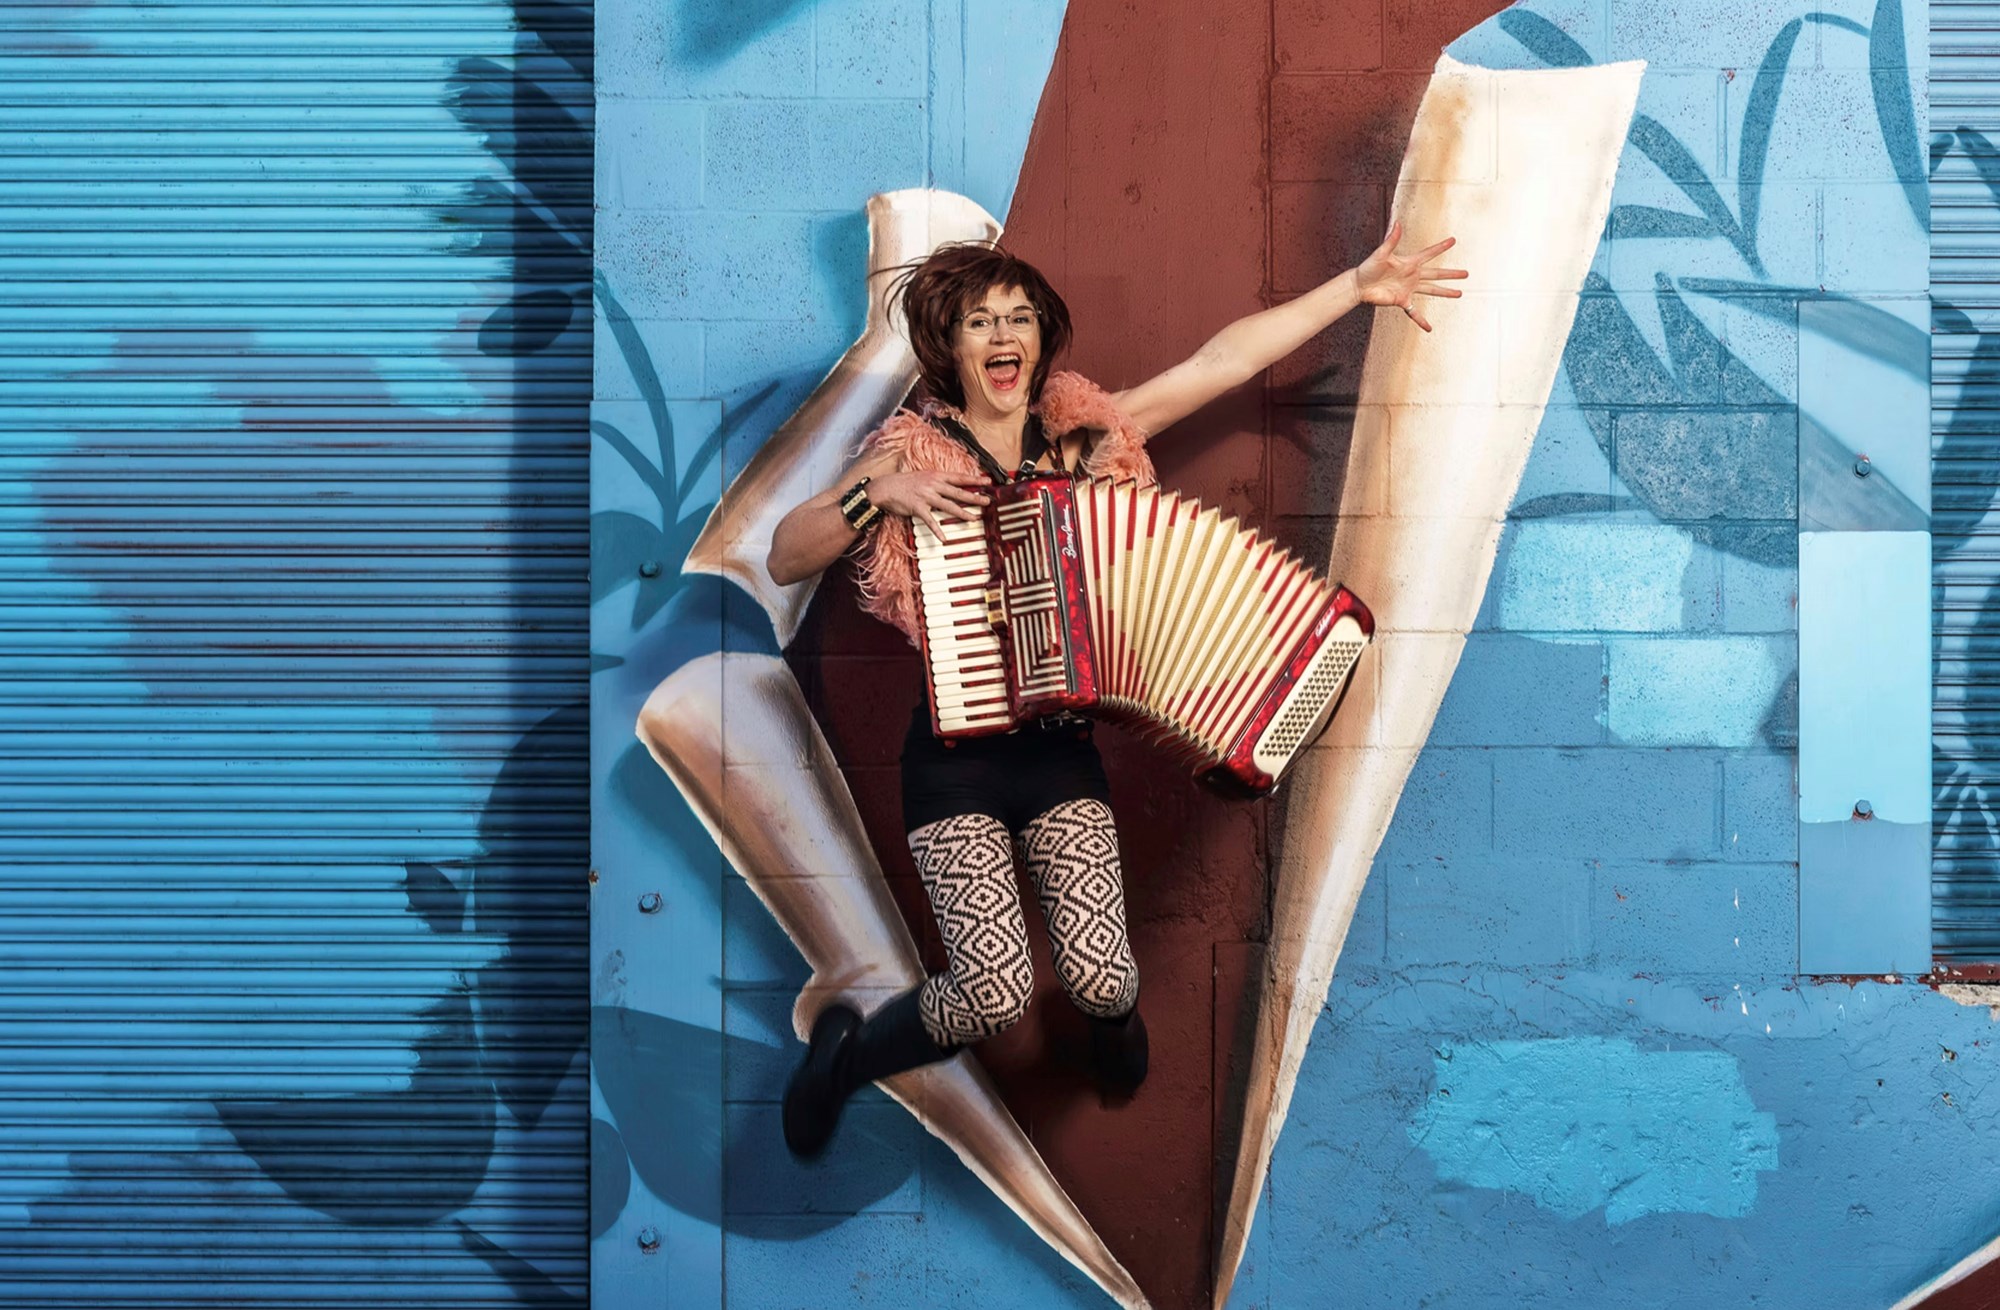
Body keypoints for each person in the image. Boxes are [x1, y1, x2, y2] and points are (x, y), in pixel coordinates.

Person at [766, 224, 1464, 1158]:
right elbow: (783, 557)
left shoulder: (1085, 441)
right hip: (953, 761)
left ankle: (1108, 1028)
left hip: (1059, 752)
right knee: (992, 995)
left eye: (1019, 318)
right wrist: (872, 494)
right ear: (951, 344)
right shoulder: (908, 457)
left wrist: (1355, 286)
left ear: (1041, 339)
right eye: (980, 321)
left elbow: (1220, 361)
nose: (1003, 335)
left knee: (1103, 982)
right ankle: (843, 1060)